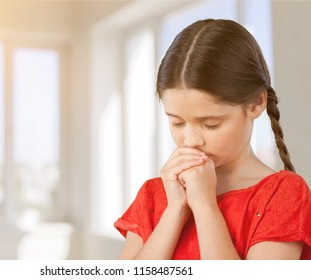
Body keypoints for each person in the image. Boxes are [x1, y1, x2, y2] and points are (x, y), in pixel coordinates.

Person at [114, 19, 311, 260]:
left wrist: (205, 206)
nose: (190, 140)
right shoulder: (154, 196)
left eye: (210, 124)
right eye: (177, 122)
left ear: (256, 104)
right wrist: (175, 210)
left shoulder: (282, 194)